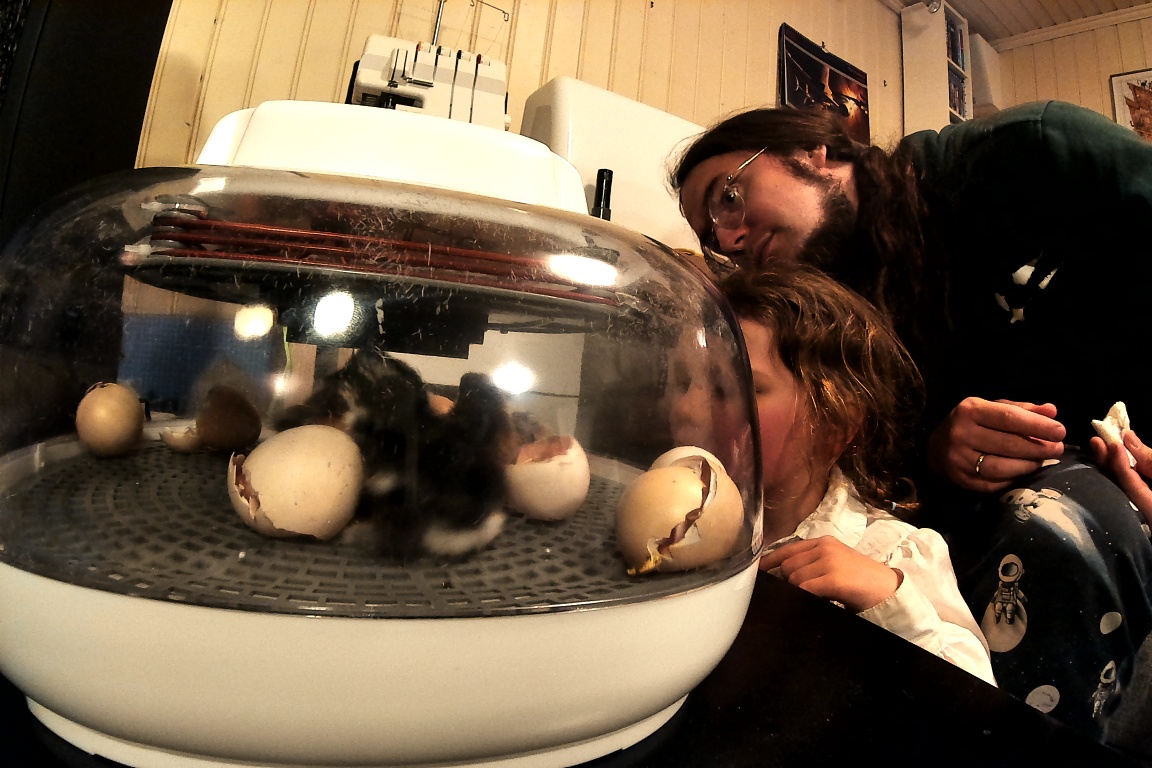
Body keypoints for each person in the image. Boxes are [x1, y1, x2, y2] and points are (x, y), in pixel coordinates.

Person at [670, 101, 1152, 751]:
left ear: (812, 148)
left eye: (729, 196)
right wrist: (938, 446)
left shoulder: (1026, 155)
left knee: (1058, 528)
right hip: (1004, 485)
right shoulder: (833, 312)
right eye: (712, 233)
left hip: (1115, 467)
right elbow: (879, 452)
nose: (729, 238)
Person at [683, 266, 995, 685]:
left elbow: (975, 694)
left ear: (834, 424)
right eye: (683, 381)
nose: (686, 408)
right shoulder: (673, 511)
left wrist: (889, 599)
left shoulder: (889, 552)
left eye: (731, 389)